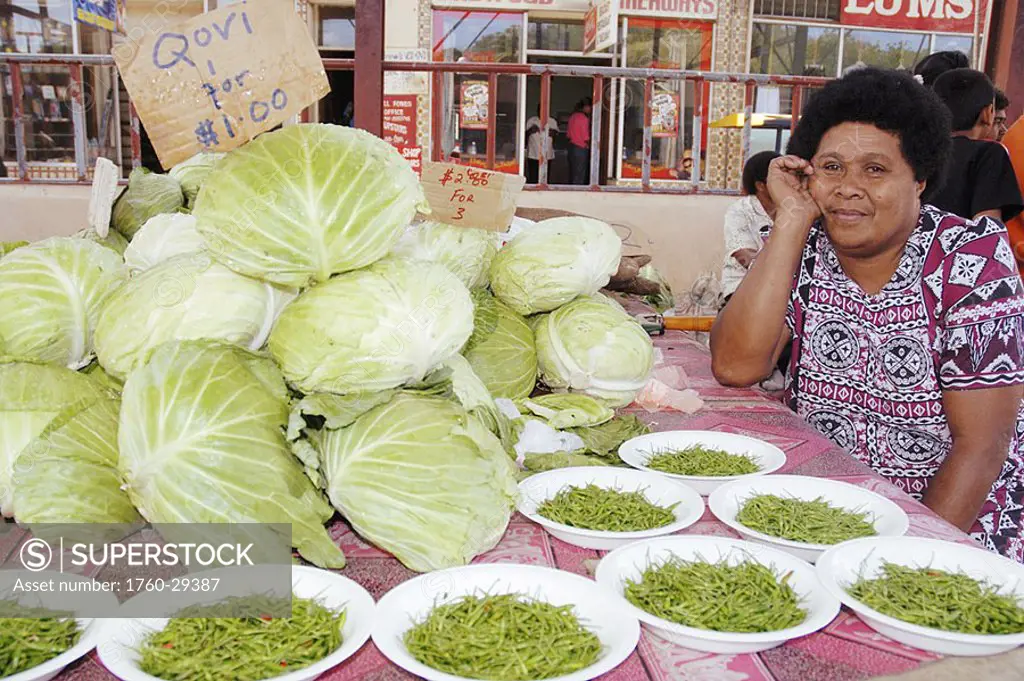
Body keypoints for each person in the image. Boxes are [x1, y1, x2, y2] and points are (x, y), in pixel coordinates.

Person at [711, 67, 1024, 561]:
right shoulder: (804, 245)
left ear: (919, 179)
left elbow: (982, 447)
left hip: (947, 532)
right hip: (824, 509)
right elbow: (735, 366)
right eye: (831, 167)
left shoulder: (971, 258)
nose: (848, 188)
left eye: (875, 170)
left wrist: (898, 565)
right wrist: (791, 217)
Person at [930, 69, 1023, 224]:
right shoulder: (989, 154)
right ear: (988, 113)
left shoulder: (919, 152)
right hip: (960, 247)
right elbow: (988, 227)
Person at [720, 150, 780, 304]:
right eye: (779, 180)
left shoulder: (793, 210)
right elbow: (744, 258)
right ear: (761, 186)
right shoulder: (740, 211)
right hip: (741, 287)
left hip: (781, 290)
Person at [525, 112, 558, 184]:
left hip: (547, 155)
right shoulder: (532, 120)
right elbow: (524, 135)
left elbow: (556, 135)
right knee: (533, 177)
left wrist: (549, 131)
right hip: (533, 154)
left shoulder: (552, 121)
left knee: (545, 178)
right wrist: (531, 130)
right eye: (539, 109)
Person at [567, 98, 592, 185]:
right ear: (585, 107)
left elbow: (568, 135)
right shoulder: (584, 119)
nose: (591, 110)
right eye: (590, 107)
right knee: (580, 175)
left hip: (571, 147)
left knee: (573, 173)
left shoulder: (572, 117)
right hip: (581, 148)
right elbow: (585, 137)